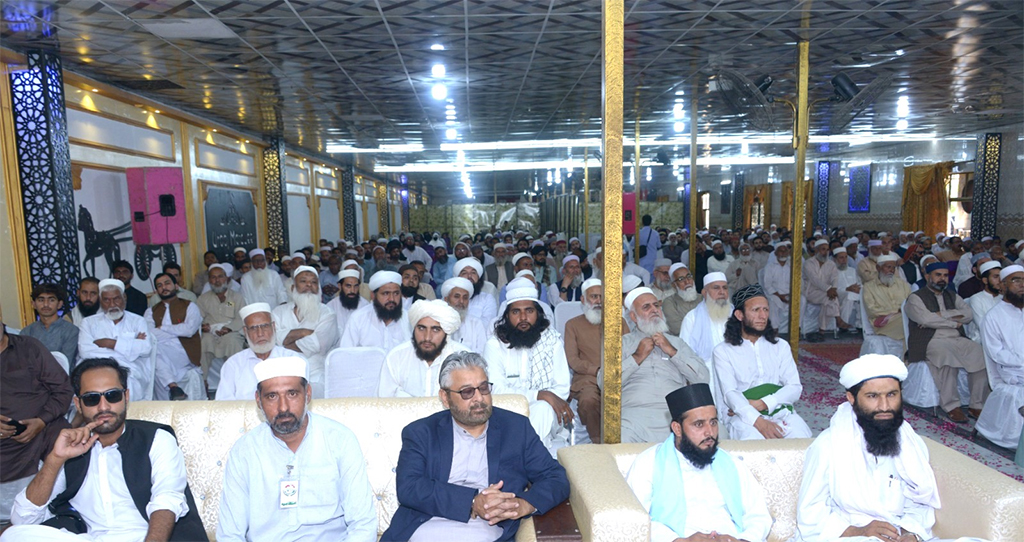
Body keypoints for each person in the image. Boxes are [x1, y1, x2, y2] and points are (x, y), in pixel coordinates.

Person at [5, 358, 207, 541]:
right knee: (13, 534)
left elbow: (167, 498)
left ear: (126, 397)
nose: (103, 407)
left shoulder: (156, 438)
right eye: (92, 398)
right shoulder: (71, 449)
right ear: (78, 404)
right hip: (91, 538)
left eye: (112, 396)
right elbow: (24, 518)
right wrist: (55, 459)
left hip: (146, 537)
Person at [380, 352, 570, 542]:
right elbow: (409, 487)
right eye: (467, 392)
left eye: (483, 388)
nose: (479, 398)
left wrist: (524, 504)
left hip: (486, 528)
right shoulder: (421, 432)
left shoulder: (516, 428)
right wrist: (472, 502)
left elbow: (555, 477)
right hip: (427, 524)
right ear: (445, 398)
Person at [217, 356, 376, 542]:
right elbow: (230, 534)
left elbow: (363, 525)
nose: (283, 407)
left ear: (308, 394)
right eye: (272, 396)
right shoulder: (244, 451)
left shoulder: (340, 440)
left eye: (292, 394)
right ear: (258, 401)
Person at [796, 355, 943, 542]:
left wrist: (910, 533)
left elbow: (920, 502)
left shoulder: (910, 442)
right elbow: (809, 514)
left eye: (892, 394)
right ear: (851, 398)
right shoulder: (828, 445)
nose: (884, 406)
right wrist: (860, 531)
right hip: (846, 536)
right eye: (873, 396)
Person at [625, 383, 773, 542]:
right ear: (677, 428)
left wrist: (743, 540)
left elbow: (758, 515)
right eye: (699, 424)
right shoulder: (648, 464)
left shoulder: (731, 464)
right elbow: (635, 519)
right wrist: (680, 541)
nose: (709, 432)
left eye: (713, 422)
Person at [484, 278, 572, 454]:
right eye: (516, 312)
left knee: (542, 409)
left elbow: (562, 389)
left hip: (548, 416)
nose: (523, 318)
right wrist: (539, 394)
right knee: (541, 406)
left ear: (538, 313)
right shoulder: (494, 345)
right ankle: (531, 463)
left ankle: (521, 461)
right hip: (506, 412)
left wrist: (542, 399)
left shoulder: (552, 341)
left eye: (529, 311)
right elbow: (495, 390)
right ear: (507, 315)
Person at [713, 284, 812, 440]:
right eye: (755, 310)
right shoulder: (723, 351)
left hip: (781, 411)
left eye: (765, 310)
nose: (762, 316)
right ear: (740, 315)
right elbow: (730, 393)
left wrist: (763, 403)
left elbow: (794, 387)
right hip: (742, 417)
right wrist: (758, 421)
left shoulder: (780, 346)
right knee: (755, 447)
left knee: (802, 442)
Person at [618, 287, 709, 444]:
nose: (654, 310)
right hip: (634, 416)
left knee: (717, 432)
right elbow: (603, 383)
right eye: (646, 307)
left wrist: (672, 351)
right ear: (633, 316)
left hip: (676, 413)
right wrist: (636, 357)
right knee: (621, 437)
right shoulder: (622, 343)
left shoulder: (676, 343)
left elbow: (703, 378)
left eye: (656, 305)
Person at [905, 263, 989, 423]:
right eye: (938, 275)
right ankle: (951, 406)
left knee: (981, 356)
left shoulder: (953, 296)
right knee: (946, 358)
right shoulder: (915, 297)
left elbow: (968, 314)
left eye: (945, 275)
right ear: (927, 276)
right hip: (931, 340)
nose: (942, 279)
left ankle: (976, 404)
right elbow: (924, 319)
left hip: (957, 338)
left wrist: (939, 315)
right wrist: (953, 322)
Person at [0, 318, 73, 492]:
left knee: (62, 436)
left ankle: (63, 505)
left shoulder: (29, 347)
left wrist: (41, 421)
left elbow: (63, 389)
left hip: (42, 429)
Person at [77, 279, 153, 400]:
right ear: (100, 301)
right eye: (106, 300)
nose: (112, 304)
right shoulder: (88, 322)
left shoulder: (138, 321)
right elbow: (86, 351)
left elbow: (146, 348)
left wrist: (109, 343)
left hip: (130, 373)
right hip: (96, 369)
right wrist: (129, 348)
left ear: (124, 298)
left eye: (116, 299)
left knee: (128, 382)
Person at [378, 299, 468, 397]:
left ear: (446, 333)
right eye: (421, 328)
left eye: (435, 330)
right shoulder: (396, 357)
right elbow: (383, 403)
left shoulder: (464, 360)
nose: (427, 337)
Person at [976, 265, 1024, 448]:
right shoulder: (993, 317)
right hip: (1013, 372)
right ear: (1003, 285)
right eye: (1016, 280)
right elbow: (996, 353)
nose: (1022, 285)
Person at [272, 265, 338, 399]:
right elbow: (274, 340)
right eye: (303, 281)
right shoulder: (278, 312)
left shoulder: (327, 314)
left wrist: (286, 342)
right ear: (292, 288)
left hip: (315, 371)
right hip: (283, 370)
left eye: (314, 282)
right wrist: (303, 332)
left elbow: (318, 345)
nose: (309, 285)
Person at [216, 303, 302, 401]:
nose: (260, 333)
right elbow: (223, 405)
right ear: (245, 331)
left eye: (265, 326)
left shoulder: (293, 360)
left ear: (273, 327)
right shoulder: (233, 365)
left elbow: (299, 401)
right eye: (253, 328)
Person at [144, 273, 204, 401]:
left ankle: (171, 385)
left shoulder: (190, 306)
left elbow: (189, 330)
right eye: (159, 285)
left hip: (184, 351)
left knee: (155, 351)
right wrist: (177, 330)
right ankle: (173, 386)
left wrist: (162, 329)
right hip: (162, 350)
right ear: (156, 291)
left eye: (167, 283)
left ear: (176, 286)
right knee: (155, 350)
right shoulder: (150, 311)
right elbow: (149, 334)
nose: (163, 287)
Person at [679, 272, 732, 406]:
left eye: (724, 288)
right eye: (716, 288)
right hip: (706, 377)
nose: (721, 292)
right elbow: (685, 356)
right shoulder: (692, 319)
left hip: (734, 374)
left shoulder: (737, 315)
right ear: (704, 292)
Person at [563, 278, 606, 441]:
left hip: (620, 376)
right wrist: (597, 370)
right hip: (588, 378)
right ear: (583, 299)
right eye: (594, 297)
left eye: (602, 297)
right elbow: (572, 360)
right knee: (588, 401)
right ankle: (598, 441)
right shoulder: (572, 325)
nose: (599, 301)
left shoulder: (619, 323)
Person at [196, 263, 246, 386]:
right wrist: (203, 327)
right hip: (210, 333)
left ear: (226, 278)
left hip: (231, 332)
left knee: (232, 341)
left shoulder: (236, 297)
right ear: (209, 280)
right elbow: (197, 319)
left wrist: (228, 328)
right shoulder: (203, 299)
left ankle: (237, 381)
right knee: (203, 342)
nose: (217, 280)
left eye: (220, 277)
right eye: (213, 277)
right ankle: (204, 382)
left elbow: (241, 318)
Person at [339, 270, 411, 351]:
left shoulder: (409, 320)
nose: (392, 299)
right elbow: (345, 354)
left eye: (396, 293)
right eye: (386, 293)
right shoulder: (358, 319)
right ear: (373, 296)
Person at [862, 254, 911, 354]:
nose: (892, 270)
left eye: (894, 267)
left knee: (912, 322)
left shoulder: (903, 284)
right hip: (883, 324)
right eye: (888, 267)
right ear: (878, 268)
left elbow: (911, 303)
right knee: (909, 323)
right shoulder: (869, 287)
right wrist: (896, 312)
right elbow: (872, 310)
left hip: (903, 318)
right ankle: (908, 357)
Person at [22, 283, 79, 366]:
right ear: (33, 304)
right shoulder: (27, 332)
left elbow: (65, 363)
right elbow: (24, 361)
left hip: (63, 377)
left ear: (59, 304)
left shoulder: (71, 331)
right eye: (41, 300)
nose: (46, 304)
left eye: (51, 300)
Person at [802, 239, 840, 343]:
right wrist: (829, 289)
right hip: (811, 292)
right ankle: (838, 319)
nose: (826, 252)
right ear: (816, 250)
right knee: (831, 297)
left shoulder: (831, 264)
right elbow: (815, 280)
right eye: (823, 249)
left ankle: (821, 331)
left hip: (826, 292)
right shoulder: (808, 263)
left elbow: (835, 278)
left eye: (827, 250)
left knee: (830, 299)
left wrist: (834, 288)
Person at [441, 277, 489, 354]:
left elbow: (482, 351)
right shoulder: (437, 322)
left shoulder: (476, 323)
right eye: (456, 296)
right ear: (446, 299)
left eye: (465, 298)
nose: (461, 301)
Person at [965, 261, 1003, 342]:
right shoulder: (976, 299)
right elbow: (983, 326)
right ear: (985, 280)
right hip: (981, 340)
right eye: (996, 277)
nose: (1000, 281)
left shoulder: (1004, 298)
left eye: (1001, 277)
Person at [326, 269, 369, 337]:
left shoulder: (366, 306)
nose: (352, 290)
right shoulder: (330, 307)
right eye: (348, 286)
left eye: (356, 286)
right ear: (340, 286)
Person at [763, 241, 793, 335]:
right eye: (780, 251)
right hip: (776, 294)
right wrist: (780, 295)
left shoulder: (792, 266)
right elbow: (767, 284)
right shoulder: (770, 266)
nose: (783, 253)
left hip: (790, 293)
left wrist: (791, 294)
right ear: (775, 253)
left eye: (785, 251)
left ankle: (797, 328)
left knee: (803, 300)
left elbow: (798, 282)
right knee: (773, 302)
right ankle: (774, 328)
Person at [662, 263, 701, 336]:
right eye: (681, 279)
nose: (687, 282)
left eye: (689, 276)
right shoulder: (669, 303)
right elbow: (678, 329)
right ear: (674, 285)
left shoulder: (703, 299)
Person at [455, 257, 498, 322]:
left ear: (478, 277)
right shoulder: (449, 297)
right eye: (464, 273)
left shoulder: (487, 299)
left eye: (473, 273)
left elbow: (488, 324)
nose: (469, 276)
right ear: (458, 277)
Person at [834, 248, 862, 332]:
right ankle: (843, 324)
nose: (844, 260)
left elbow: (860, 283)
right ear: (835, 259)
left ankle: (860, 325)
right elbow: (831, 289)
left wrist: (858, 289)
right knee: (849, 295)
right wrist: (847, 289)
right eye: (841, 258)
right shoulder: (832, 272)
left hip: (853, 294)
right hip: (838, 295)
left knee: (859, 296)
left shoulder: (853, 271)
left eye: (845, 257)